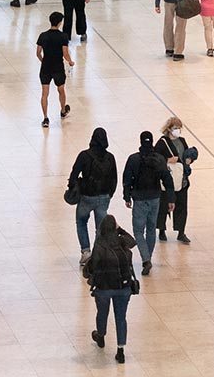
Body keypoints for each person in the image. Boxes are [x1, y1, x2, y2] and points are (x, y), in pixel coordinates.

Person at [84, 213, 137, 364]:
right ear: (114, 227)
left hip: (104, 288)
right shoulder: (122, 241)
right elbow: (133, 241)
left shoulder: (99, 244)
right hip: (123, 287)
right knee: (121, 318)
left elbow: (93, 266)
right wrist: (120, 229)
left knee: (102, 313)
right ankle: (120, 351)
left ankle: (101, 336)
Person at [122, 131, 174, 276]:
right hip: (155, 198)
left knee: (138, 231)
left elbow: (127, 179)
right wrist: (171, 199)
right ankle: (148, 257)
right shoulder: (159, 159)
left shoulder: (133, 159)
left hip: (139, 198)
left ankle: (146, 260)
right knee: (151, 229)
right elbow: (167, 179)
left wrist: (127, 197)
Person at [68, 127, 118, 263]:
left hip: (86, 196)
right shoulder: (110, 157)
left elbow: (74, 174)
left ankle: (86, 251)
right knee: (101, 227)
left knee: (81, 222)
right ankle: (98, 253)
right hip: (103, 197)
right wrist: (109, 194)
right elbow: (114, 178)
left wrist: (73, 189)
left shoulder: (84, 155)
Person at [155, 117, 195, 245]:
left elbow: (186, 156)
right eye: (175, 128)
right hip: (168, 180)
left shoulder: (182, 141)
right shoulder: (162, 143)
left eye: (179, 128)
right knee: (163, 206)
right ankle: (161, 230)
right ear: (169, 129)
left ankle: (181, 232)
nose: (177, 131)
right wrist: (167, 160)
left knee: (182, 206)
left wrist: (189, 160)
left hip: (181, 179)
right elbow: (155, 158)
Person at [36, 11, 72, 127]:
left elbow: (38, 53)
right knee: (61, 89)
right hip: (58, 67)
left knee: (44, 93)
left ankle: (45, 118)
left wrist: (43, 61)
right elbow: (65, 53)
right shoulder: (63, 36)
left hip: (46, 67)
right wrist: (70, 62)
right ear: (60, 23)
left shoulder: (43, 35)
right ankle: (62, 110)